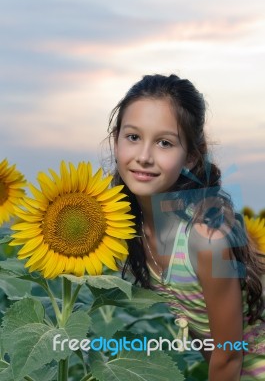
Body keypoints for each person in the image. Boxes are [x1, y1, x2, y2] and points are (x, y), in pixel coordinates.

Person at [106, 74, 265, 380]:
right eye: (133, 137)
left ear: (191, 156)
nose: (143, 157)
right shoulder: (125, 224)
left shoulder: (206, 238)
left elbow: (230, 354)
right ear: (116, 141)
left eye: (164, 143)